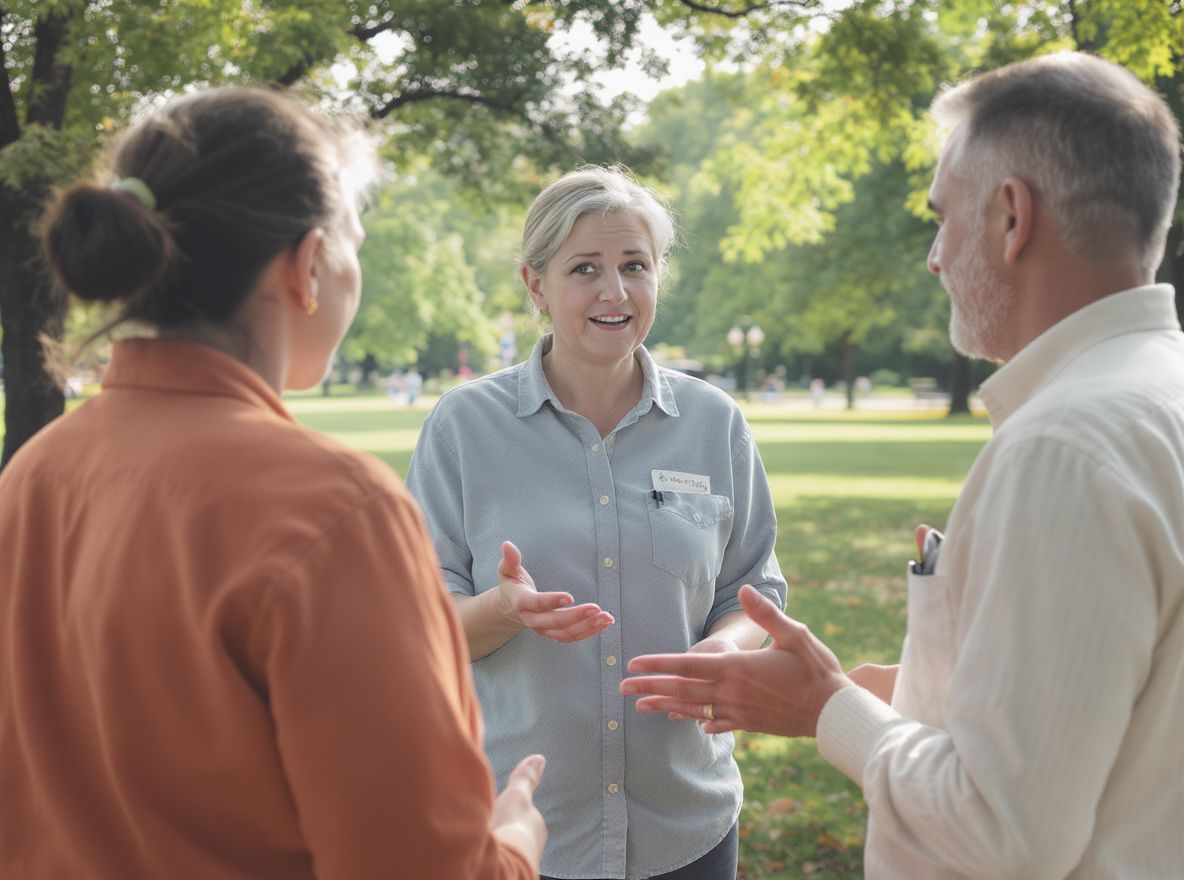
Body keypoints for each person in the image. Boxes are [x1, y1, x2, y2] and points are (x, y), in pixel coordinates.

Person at [621, 52, 1184, 879]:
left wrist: (827, 708)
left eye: (941, 215)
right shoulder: (1155, 391)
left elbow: (1005, 834)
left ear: (1010, 217)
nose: (933, 256)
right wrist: (925, 697)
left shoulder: (1063, 448)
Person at [0, 86, 546, 879]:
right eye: (356, 238)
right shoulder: (333, 507)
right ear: (307, 266)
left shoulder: (30, 478)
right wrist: (514, 843)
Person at [405, 166, 788, 880]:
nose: (615, 292)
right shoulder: (463, 427)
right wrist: (503, 609)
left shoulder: (714, 423)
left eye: (634, 266)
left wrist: (724, 649)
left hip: (688, 828)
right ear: (535, 284)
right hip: (523, 831)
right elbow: (421, 627)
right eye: (586, 269)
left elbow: (750, 592)